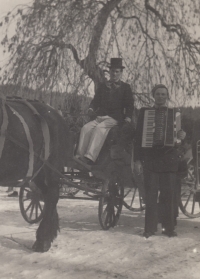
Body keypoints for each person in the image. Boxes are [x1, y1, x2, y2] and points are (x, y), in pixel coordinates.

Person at [134, 84, 186, 238]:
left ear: (167, 96)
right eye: (158, 94)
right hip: (151, 159)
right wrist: (137, 159)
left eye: (163, 94)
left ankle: (169, 228)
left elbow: (179, 137)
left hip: (169, 159)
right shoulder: (145, 113)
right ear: (153, 96)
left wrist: (182, 135)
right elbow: (138, 138)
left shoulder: (175, 113)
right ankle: (149, 229)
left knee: (168, 195)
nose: (161, 97)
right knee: (150, 195)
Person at [75, 58, 134, 164]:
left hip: (115, 118)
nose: (114, 74)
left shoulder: (125, 88)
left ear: (121, 73)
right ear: (109, 72)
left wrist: (128, 118)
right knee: (85, 128)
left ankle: (90, 157)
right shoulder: (103, 86)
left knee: (99, 129)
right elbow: (95, 101)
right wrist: (91, 108)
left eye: (117, 72)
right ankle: (80, 156)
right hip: (100, 117)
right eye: (112, 71)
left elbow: (130, 105)